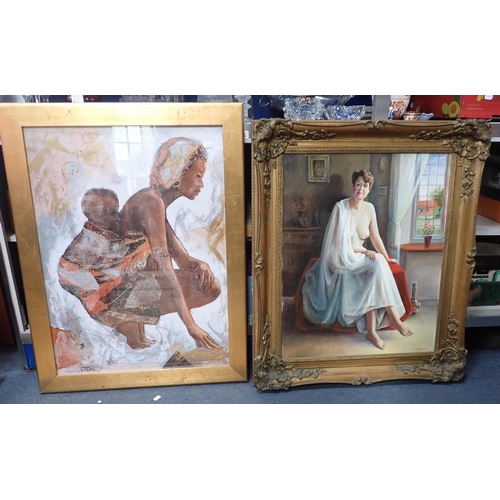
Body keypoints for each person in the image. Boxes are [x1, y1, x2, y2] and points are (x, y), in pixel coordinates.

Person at [117, 137, 222, 350]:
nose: (201, 184)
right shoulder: (151, 201)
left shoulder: (156, 202)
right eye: (198, 176)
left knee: (207, 282)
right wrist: (191, 326)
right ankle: (127, 320)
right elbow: (165, 266)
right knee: (207, 286)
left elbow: (182, 259)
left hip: (128, 282)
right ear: (179, 172)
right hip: (115, 287)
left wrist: (200, 264)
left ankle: (133, 321)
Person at [301, 169, 413, 350]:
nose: (361, 189)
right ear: (353, 186)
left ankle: (373, 330)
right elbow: (339, 243)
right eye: (358, 184)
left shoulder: (369, 208)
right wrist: (364, 251)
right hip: (339, 256)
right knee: (375, 262)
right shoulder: (341, 207)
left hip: (358, 255)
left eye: (365, 186)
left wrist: (386, 257)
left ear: (369, 189)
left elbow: (376, 238)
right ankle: (391, 318)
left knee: (378, 264)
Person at [57, 188, 155, 349]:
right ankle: (134, 339)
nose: (117, 217)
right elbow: (109, 258)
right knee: (121, 297)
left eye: (116, 211)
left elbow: (115, 248)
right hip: (79, 277)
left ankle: (140, 335)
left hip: (95, 272)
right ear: (95, 215)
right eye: (112, 213)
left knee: (136, 276)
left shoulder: (102, 230)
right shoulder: (89, 239)